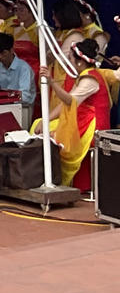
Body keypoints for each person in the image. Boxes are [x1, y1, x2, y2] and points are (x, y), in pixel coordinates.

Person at [35, 39, 114, 191]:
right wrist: (45, 120)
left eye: (70, 58)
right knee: (39, 124)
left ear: (80, 62)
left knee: (52, 136)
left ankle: (54, 179)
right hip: (83, 119)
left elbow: (70, 101)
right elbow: (67, 103)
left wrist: (51, 82)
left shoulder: (90, 79)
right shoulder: (86, 75)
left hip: (93, 125)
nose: (68, 61)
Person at [0, 0, 39, 80]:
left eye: (21, 10)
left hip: (34, 74)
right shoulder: (11, 29)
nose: (18, 13)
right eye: (17, 10)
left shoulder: (39, 31)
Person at [0, 32, 36, 107]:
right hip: (3, 106)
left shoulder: (24, 68)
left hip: (22, 108)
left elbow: (25, 96)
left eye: (3, 53)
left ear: (11, 50)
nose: (0, 57)